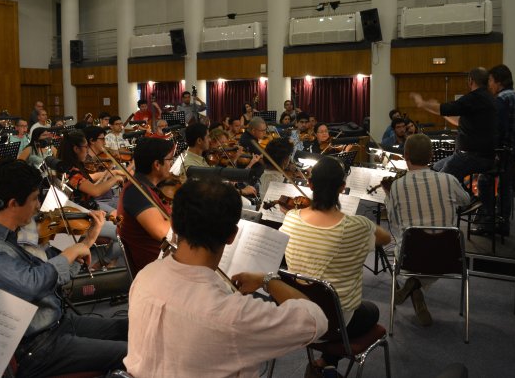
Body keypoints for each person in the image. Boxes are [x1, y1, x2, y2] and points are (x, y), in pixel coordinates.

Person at [124, 179, 328, 378]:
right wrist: (268, 281)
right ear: (232, 235)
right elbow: (315, 320)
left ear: (174, 226)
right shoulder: (233, 316)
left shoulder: (144, 276)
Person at [0, 159, 127, 378]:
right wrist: (69, 253)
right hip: (37, 348)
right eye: (33, 199)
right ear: (13, 203)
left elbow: (56, 276)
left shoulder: (11, 235)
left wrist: (87, 242)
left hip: (57, 323)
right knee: (130, 354)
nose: (36, 207)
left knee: (126, 328)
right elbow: (33, 285)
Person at [280, 156, 391, 371]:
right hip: (336, 325)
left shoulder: (291, 218)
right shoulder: (357, 226)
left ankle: (323, 364)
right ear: (342, 188)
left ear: (310, 185)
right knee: (372, 310)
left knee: (328, 298)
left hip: (297, 316)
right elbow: (385, 238)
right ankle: (326, 365)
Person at [383, 134, 471, 326]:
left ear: (405, 155)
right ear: (432, 155)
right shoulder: (448, 180)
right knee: (434, 250)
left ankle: (413, 284)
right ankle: (415, 288)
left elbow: (394, 222)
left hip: (411, 257)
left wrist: (388, 196)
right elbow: (466, 200)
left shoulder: (397, 186)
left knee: (401, 243)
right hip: (448, 257)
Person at [411, 67, 498, 182]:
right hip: (481, 156)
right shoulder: (488, 99)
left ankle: (455, 196)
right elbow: (459, 120)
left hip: (471, 156)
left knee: (439, 181)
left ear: (470, 81)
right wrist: (440, 110)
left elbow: (445, 109)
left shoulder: (474, 98)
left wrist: (423, 103)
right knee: (435, 168)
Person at [57, 130, 125, 269]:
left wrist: (106, 175)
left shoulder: (72, 167)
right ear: (76, 149)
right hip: (83, 216)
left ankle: (107, 262)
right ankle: (101, 264)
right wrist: (114, 179)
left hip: (88, 209)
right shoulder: (72, 173)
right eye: (85, 147)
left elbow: (91, 186)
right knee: (123, 232)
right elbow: (95, 191)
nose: (87, 151)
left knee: (120, 219)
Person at [117, 137, 174, 274]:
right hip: (156, 269)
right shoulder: (136, 192)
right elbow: (163, 233)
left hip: (166, 260)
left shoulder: (145, 187)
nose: (171, 164)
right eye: (169, 159)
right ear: (157, 164)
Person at [481, 64, 515, 234]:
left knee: (485, 182)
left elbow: (498, 130)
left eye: (491, 81)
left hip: (501, 152)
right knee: (506, 188)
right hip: (514, 152)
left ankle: (489, 220)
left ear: (499, 81)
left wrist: (492, 151)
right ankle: (503, 222)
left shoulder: (501, 99)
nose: (489, 85)